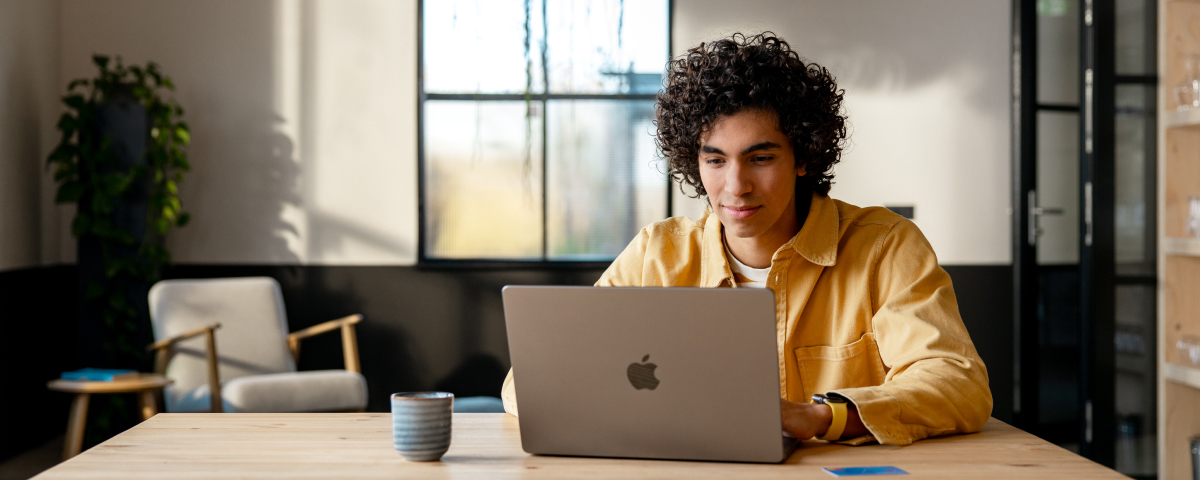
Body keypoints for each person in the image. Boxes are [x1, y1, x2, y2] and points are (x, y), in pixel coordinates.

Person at [500, 32, 991, 446]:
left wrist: (824, 417)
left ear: (803, 157)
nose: (735, 186)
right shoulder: (657, 254)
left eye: (760, 158)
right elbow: (527, 383)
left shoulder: (886, 247)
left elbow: (957, 381)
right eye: (715, 160)